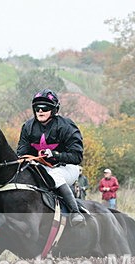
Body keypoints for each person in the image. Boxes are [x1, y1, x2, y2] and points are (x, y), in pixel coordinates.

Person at [17, 89, 85, 226]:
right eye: (37, 108)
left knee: (54, 176)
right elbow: (21, 151)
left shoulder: (66, 126)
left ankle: (75, 212)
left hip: (67, 168)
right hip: (41, 167)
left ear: (54, 110)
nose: (40, 111)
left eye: (45, 108)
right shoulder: (28, 127)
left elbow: (77, 156)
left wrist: (55, 155)